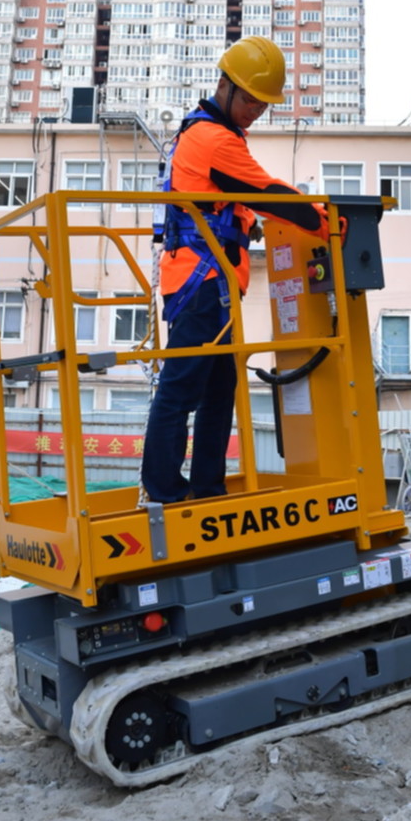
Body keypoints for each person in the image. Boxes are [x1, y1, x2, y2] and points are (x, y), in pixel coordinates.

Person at [140, 36, 330, 505]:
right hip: (201, 284)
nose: (255, 111)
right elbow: (267, 190)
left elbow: (234, 200)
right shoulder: (212, 138)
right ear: (223, 86)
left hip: (213, 284)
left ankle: (206, 488)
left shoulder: (210, 134)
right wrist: (328, 221)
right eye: (249, 99)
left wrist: (248, 228)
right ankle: (165, 490)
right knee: (183, 389)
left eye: (263, 104)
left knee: (219, 390)